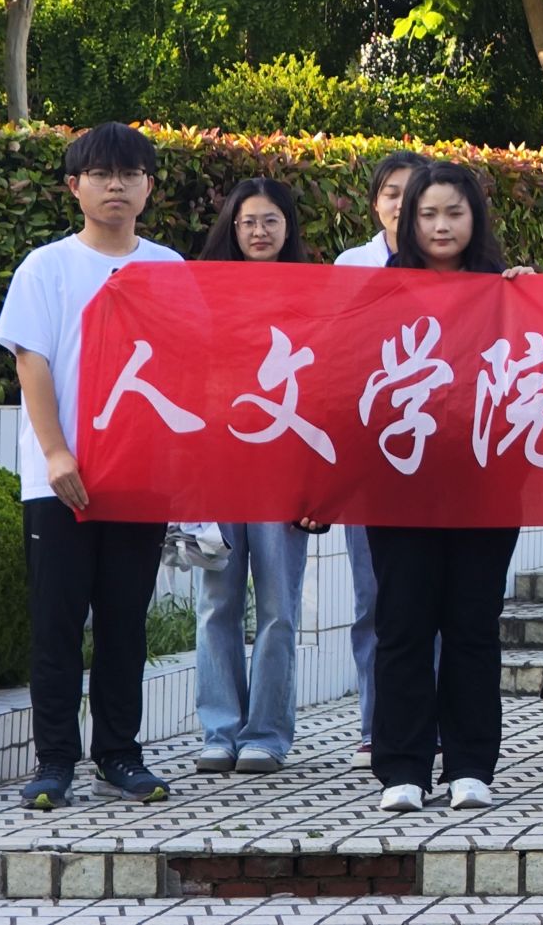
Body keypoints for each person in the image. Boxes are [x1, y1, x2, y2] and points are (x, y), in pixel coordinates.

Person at [0, 122, 183, 810]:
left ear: (148, 187)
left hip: (138, 479)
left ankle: (120, 754)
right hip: (60, 480)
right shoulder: (45, 268)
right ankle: (54, 761)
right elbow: (32, 362)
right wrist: (55, 452)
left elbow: (188, 364)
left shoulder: (169, 267)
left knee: (125, 623)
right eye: (101, 174)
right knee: (57, 623)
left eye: (130, 173)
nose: (116, 185)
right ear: (74, 186)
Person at [371, 162, 527, 814]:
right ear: (409, 220)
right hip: (398, 486)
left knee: (472, 627)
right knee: (403, 626)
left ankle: (470, 765)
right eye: (428, 213)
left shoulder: (505, 290)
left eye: (454, 213)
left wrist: (531, 300)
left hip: (484, 486)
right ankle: (402, 768)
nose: (441, 226)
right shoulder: (379, 292)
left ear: (475, 218)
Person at [192, 179, 330, 777]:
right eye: (248, 221)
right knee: (216, 604)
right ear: (232, 226)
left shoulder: (314, 297)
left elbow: (329, 389)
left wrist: (319, 487)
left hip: (284, 475)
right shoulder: (203, 294)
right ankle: (219, 730)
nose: (258, 231)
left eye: (270, 220)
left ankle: (267, 734)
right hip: (218, 472)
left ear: (288, 227)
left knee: (278, 607)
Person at [334, 149, 428, 769]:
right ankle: (377, 721)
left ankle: (431, 719)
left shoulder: (454, 267)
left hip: (436, 457)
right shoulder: (350, 267)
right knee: (374, 600)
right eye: (391, 192)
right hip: (371, 459)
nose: (401, 203)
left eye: (413, 192)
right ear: (376, 203)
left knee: (433, 602)